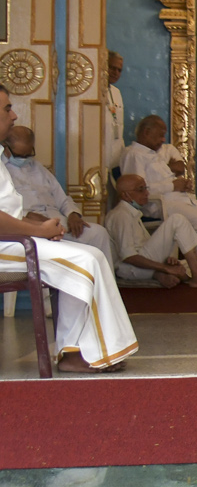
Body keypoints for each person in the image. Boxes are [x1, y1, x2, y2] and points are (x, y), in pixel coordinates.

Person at [0, 89, 137, 372]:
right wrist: (37, 230)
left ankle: (74, 350)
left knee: (90, 254)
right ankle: (80, 353)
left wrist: (40, 228)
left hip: (16, 239)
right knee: (85, 261)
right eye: (7, 109)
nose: (14, 115)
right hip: (7, 246)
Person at [4, 126, 116, 269]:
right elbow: (6, 209)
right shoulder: (3, 171)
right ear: (6, 148)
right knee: (82, 256)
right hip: (33, 228)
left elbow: (62, 198)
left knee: (99, 233)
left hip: (60, 223)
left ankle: (104, 289)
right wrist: (30, 218)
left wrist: (73, 214)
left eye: (29, 154)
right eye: (20, 155)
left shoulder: (39, 168)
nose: (25, 159)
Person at [120, 116, 197, 257]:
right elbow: (137, 190)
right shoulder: (134, 154)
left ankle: (195, 257)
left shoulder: (153, 154)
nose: (163, 140)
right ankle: (186, 259)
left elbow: (173, 174)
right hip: (160, 203)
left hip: (182, 199)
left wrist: (181, 185)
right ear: (147, 132)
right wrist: (172, 186)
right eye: (160, 135)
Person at [106, 173, 197, 288]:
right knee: (177, 219)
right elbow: (128, 256)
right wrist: (165, 268)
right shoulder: (121, 215)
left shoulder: (132, 213)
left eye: (146, 188)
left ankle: (171, 276)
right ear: (125, 195)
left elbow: (146, 247)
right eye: (141, 189)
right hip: (131, 268)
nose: (147, 193)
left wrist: (168, 261)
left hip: (145, 264)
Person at [103, 50, 126, 175]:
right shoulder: (93, 91)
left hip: (115, 154)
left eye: (119, 70)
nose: (115, 72)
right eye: (112, 68)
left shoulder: (116, 92)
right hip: (99, 153)